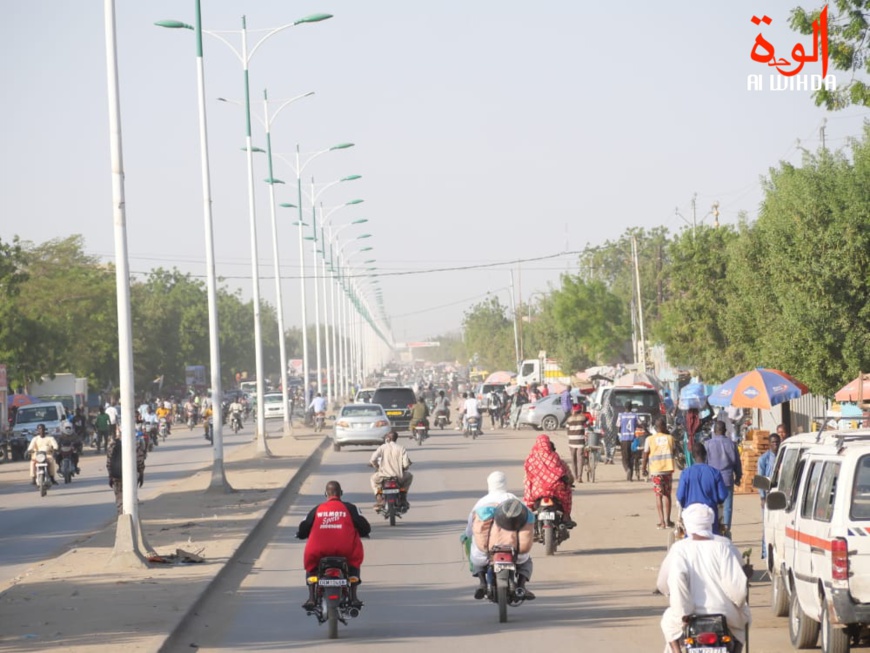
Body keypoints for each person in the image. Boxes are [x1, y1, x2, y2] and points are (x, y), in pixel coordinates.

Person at [656, 503, 751, 653]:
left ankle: (676, 651)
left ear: (687, 525)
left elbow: (667, 583)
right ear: (710, 523)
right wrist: (739, 603)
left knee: (668, 623)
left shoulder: (679, 549)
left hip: (688, 615)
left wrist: (683, 612)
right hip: (725, 613)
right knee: (744, 619)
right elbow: (736, 589)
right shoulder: (723, 546)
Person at [296, 480, 370, 610]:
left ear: (326, 494)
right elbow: (364, 526)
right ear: (340, 493)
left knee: (311, 566)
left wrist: (300, 535)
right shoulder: (350, 508)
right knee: (353, 563)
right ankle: (354, 597)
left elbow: (304, 527)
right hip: (345, 550)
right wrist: (364, 532)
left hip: (318, 550)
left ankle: (311, 598)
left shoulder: (316, 509)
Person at [463, 471, 536, 600]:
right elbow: (527, 518)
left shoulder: (482, 502)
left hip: (487, 550)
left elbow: (471, 525)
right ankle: (521, 585)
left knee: (475, 551)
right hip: (513, 548)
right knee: (526, 561)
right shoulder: (513, 499)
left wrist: (466, 535)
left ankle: (482, 583)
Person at [523, 433, 576, 527]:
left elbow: (528, 474)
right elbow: (564, 472)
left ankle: (529, 516)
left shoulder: (531, 458)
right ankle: (566, 516)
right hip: (555, 490)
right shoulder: (554, 457)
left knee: (528, 486)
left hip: (537, 491)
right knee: (567, 494)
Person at [676, 441, 728, 534]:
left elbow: (680, 496)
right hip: (710, 515)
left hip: (691, 514)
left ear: (692, 456)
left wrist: (686, 505)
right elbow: (723, 495)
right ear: (705, 454)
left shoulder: (685, 473)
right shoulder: (715, 473)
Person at [705, 420, 743, 535]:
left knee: (713, 505)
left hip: (712, 480)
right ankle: (726, 530)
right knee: (727, 507)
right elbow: (737, 463)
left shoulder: (708, 444)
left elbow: (705, 463)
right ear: (725, 431)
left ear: (715, 431)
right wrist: (738, 477)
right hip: (727, 479)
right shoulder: (731, 444)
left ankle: (714, 528)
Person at [643, 417, 677, 529]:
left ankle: (661, 522)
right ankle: (668, 521)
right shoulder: (670, 438)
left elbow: (645, 454)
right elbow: (674, 451)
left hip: (656, 471)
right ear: (665, 426)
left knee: (658, 495)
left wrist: (644, 468)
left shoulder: (650, 439)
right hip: (667, 469)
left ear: (655, 428)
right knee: (667, 494)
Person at [105, 428, 146, 515]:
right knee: (131, 498)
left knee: (120, 499)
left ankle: (122, 517)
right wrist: (141, 474)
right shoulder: (135, 445)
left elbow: (109, 463)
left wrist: (110, 476)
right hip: (131, 477)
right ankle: (131, 518)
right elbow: (140, 461)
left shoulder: (112, 445)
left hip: (117, 476)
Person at [369, 430, 413, 510]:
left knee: (373, 479)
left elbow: (372, 460)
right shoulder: (401, 448)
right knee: (409, 476)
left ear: (388, 438)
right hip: (398, 476)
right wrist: (403, 468)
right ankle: (403, 495)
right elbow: (406, 464)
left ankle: (379, 497)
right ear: (396, 438)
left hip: (383, 476)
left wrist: (377, 467)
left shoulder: (382, 447)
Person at [757, 433, 781, 558]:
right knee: (767, 525)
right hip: (768, 495)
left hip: (780, 495)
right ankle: (765, 553)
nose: (775, 444)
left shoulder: (783, 457)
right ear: (769, 444)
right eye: (773, 442)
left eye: (777, 442)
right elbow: (760, 479)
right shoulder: (764, 459)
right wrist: (762, 496)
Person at [565, 406, 588, 481]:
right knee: (580, 459)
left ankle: (575, 476)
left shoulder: (569, 419)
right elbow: (587, 426)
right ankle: (579, 477)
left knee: (573, 459)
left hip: (572, 441)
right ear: (580, 411)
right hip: (580, 441)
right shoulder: (583, 419)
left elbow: (567, 430)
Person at [617, 402, 638, 481]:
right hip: (633, 439)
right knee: (632, 458)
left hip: (624, 440)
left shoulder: (621, 416)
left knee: (625, 458)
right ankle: (630, 477)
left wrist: (619, 435)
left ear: (624, 407)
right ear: (631, 407)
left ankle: (627, 469)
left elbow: (618, 427)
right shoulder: (635, 415)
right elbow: (639, 424)